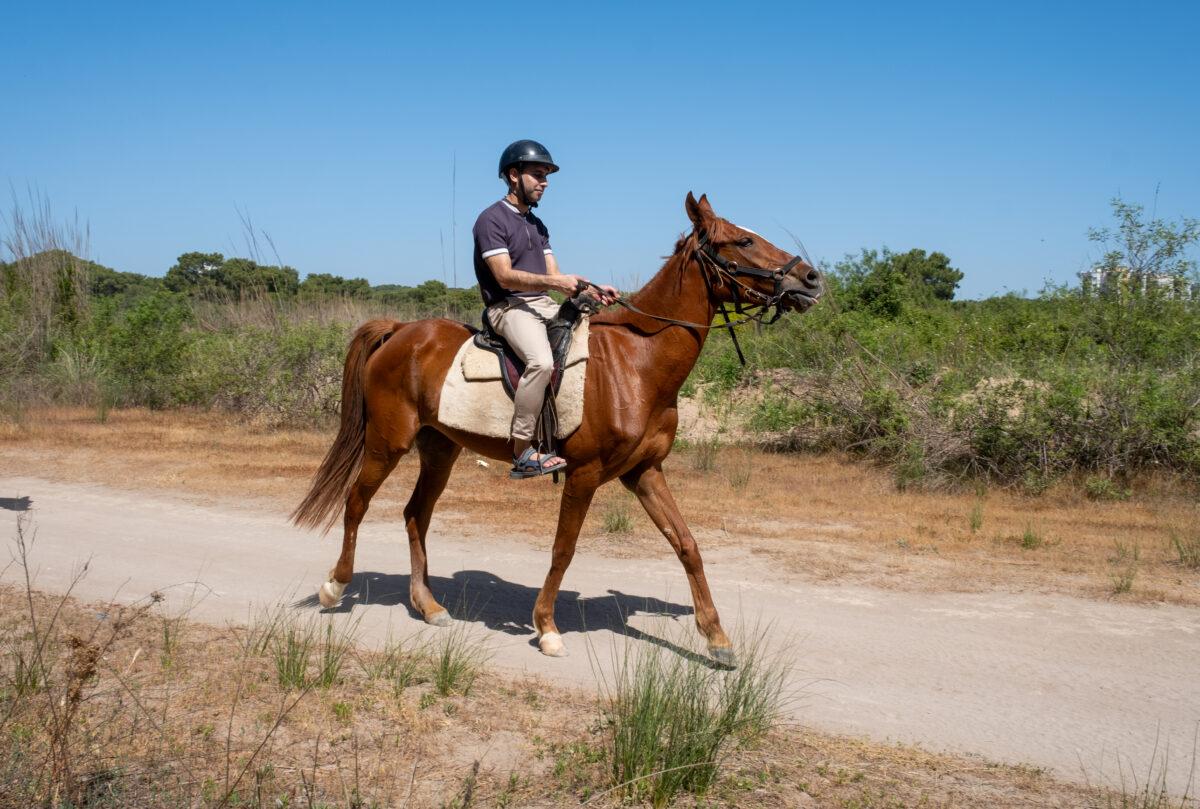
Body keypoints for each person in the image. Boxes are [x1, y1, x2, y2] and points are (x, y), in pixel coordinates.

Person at [472, 139, 617, 479]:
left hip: (541, 303)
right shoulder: (491, 220)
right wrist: (557, 285)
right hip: (508, 307)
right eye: (537, 175)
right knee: (541, 361)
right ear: (513, 176)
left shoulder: (537, 225)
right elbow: (504, 275)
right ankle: (522, 450)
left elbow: (554, 276)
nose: (545, 182)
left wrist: (590, 288)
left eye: (547, 176)